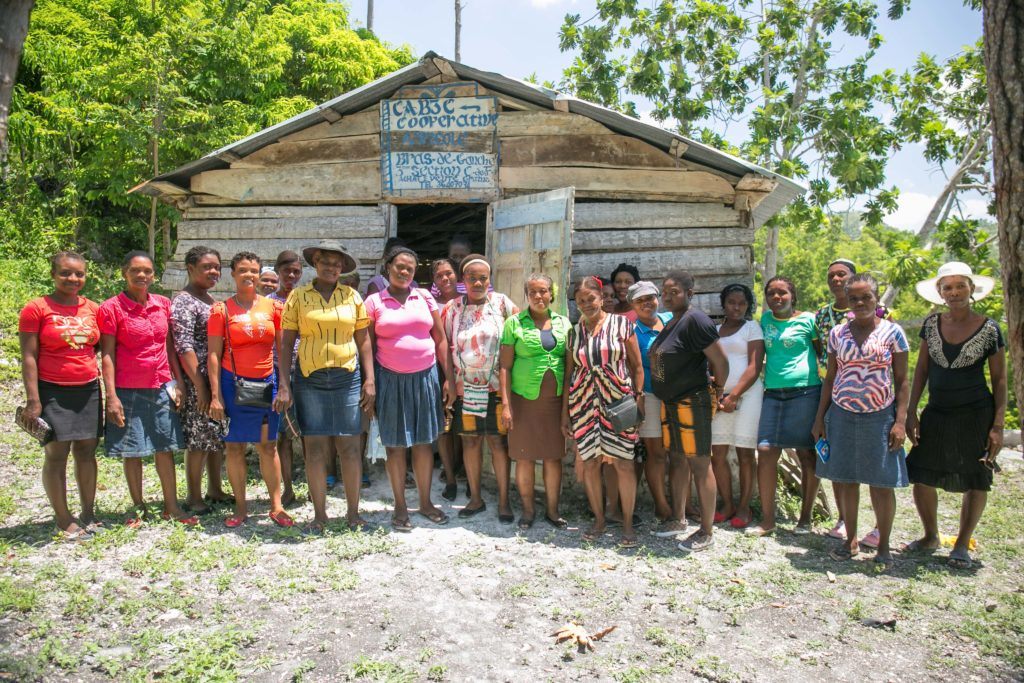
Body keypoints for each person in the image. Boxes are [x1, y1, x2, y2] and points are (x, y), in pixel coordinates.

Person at [904, 262, 1006, 570]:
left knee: (976, 478)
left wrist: (998, 425)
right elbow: (921, 370)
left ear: (972, 289)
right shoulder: (932, 324)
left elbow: (999, 379)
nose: (954, 292)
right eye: (947, 287)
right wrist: (911, 411)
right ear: (939, 292)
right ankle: (930, 535)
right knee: (921, 472)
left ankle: (962, 544)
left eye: (960, 285)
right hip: (937, 410)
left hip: (976, 413)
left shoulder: (989, 328)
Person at [812, 274, 909, 567]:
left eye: (866, 297)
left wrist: (900, 421)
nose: (860, 303)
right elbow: (830, 377)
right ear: (848, 302)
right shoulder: (837, 334)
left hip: (880, 416)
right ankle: (850, 539)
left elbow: (903, 380)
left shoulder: (893, 333)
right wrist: (820, 419)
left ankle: (884, 548)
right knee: (846, 478)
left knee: (881, 482)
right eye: (854, 298)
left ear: (876, 297)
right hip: (842, 414)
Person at [276, 241, 374, 532]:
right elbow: (286, 342)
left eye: (336, 263)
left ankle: (353, 513)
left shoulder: (352, 297)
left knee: (350, 447)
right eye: (325, 261)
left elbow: (364, 340)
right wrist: (284, 384)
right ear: (315, 263)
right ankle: (320, 516)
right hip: (310, 379)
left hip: (347, 378)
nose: (331, 267)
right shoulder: (298, 297)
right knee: (315, 448)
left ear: (342, 268)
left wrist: (369, 379)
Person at [99, 251, 195, 527]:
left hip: (161, 385)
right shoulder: (112, 308)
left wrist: (177, 382)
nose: (142, 276)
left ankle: (172, 506)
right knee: (133, 450)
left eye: (147, 271)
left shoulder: (163, 304)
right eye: (135, 271)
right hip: (128, 388)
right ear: (124, 273)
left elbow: (169, 347)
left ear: (154, 275)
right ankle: (138, 508)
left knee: (165, 446)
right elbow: (107, 354)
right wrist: (112, 396)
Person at [365, 246, 451, 531]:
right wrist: (372, 381)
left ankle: (425, 503)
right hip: (390, 379)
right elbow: (368, 346)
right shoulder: (375, 301)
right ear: (388, 267)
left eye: (410, 269)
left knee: (425, 443)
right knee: (396, 446)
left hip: (426, 377)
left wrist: (448, 376)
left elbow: (439, 338)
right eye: (399, 266)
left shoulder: (424, 296)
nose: (404, 272)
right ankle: (400, 506)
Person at [18, 252, 103, 538]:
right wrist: (33, 399)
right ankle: (63, 517)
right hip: (52, 390)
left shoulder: (93, 308)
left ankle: (89, 512)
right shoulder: (37, 308)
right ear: (54, 274)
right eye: (66, 273)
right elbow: (29, 356)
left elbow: (98, 346)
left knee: (87, 452)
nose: (73, 279)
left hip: (88, 389)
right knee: (57, 454)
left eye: (79, 274)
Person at [208, 251, 293, 529]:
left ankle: (276, 506)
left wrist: (284, 386)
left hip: (267, 383)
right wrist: (215, 396)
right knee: (234, 447)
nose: (249, 275)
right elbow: (212, 354)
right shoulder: (221, 310)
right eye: (243, 270)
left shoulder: (272, 308)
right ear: (232, 273)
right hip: (232, 385)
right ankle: (241, 508)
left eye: (254, 271)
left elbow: (282, 349)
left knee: (268, 446)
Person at [649, 271, 729, 552]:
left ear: (690, 293)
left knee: (699, 463)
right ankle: (678, 518)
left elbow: (721, 362)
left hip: (691, 401)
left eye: (674, 291)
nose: (667, 296)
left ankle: (706, 531)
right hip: (671, 402)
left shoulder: (696, 320)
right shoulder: (672, 322)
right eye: (665, 291)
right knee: (678, 460)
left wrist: (717, 392)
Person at [562, 276, 645, 547]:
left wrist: (639, 401)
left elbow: (637, 367)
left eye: (591, 299)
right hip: (584, 405)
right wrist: (566, 414)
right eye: (581, 300)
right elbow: (569, 374)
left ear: (601, 298)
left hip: (618, 403)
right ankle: (599, 519)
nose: (586, 304)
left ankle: (628, 524)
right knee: (590, 463)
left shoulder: (622, 324)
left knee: (623, 462)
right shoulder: (574, 333)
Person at [815, 258, 891, 546]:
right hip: (835, 396)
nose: (836, 279)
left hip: (876, 404)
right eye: (831, 275)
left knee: (876, 470)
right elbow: (822, 355)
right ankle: (846, 522)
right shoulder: (824, 317)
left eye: (841, 274)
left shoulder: (885, 318)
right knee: (841, 465)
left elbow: (897, 368)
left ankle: (878, 528)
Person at [443, 254, 519, 522]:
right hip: (466, 389)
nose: (477, 282)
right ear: (463, 280)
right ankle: (475, 498)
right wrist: (449, 381)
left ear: (489, 280)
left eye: (482, 278)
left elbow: (520, 332)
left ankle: (503, 501)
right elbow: (445, 346)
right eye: (472, 277)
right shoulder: (452, 308)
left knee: (498, 443)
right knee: (471, 442)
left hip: (496, 388)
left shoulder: (501, 303)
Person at [749, 276, 822, 536]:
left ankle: (805, 518)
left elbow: (821, 353)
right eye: (771, 293)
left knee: (806, 453)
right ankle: (768, 521)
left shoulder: (809, 320)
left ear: (793, 296)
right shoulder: (765, 321)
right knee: (766, 450)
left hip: (806, 391)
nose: (777, 298)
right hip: (773, 393)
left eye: (783, 293)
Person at [499, 274, 571, 529]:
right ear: (527, 295)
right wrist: (506, 405)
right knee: (525, 457)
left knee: (553, 457)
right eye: (533, 292)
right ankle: (528, 511)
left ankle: (552, 511)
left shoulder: (564, 324)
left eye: (543, 291)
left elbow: (570, 366)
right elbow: (505, 367)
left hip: (555, 403)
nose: (539, 297)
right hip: (523, 402)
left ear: (551, 293)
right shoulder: (514, 324)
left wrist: (567, 409)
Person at [171, 246, 230, 515]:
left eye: (217, 267)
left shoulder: (209, 300)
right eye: (207, 267)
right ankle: (194, 497)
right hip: (198, 381)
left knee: (214, 436)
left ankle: (215, 489)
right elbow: (183, 346)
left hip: (214, 379)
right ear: (190, 268)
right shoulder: (185, 301)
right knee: (197, 440)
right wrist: (200, 386)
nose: (213, 271)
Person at [710, 284, 764, 529]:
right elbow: (710, 364)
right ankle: (727, 503)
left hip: (748, 396)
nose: (736, 307)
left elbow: (754, 365)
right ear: (724, 304)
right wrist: (719, 394)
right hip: (720, 398)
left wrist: (735, 395)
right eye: (732, 302)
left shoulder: (752, 328)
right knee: (717, 452)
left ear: (748, 306)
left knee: (744, 452)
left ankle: (744, 506)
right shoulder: (714, 330)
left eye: (742, 303)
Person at [628, 281, 675, 530]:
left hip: (677, 395)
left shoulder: (671, 320)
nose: (647, 303)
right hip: (650, 395)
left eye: (650, 298)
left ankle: (682, 504)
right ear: (632, 305)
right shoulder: (631, 330)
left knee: (677, 454)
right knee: (655, 453)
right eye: (640, 301)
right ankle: (661, 504)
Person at [268, 250, 303, 506]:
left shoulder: (305, 299)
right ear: (278, 272)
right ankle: (288, 488)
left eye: (296, 272)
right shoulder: (267, 302)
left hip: (306, 372)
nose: (291, 276)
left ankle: (316, 486)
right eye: (286, 271)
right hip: (278, 373)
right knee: (282, 435)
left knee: (312, 433)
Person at [431, 257, 463, 500]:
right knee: (444, 424)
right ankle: (450, 476)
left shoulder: (467, 302)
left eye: (449, 274)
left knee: (463, 426)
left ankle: (463, 469)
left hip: (467, 371)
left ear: (457, 275)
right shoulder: (430, 304)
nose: (445, 279)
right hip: (440, 369)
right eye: (440, 275)